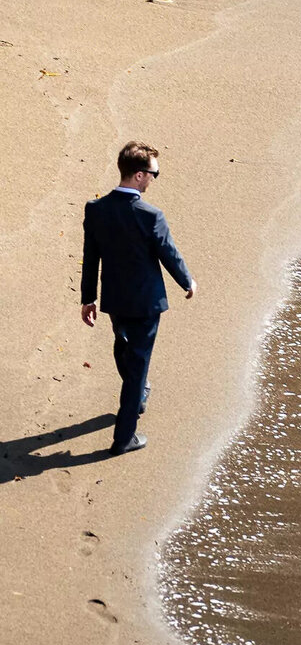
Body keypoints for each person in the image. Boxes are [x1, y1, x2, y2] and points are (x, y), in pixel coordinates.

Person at [80, 142, 196, 454]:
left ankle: (138, 391)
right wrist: (187, 281)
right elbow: (168, 253)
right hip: (145, 303)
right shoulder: (150, 215)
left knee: (124, 348)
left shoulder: (96, 209)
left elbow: (90, 257)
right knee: (137, 365)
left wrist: (88, 298)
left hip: (115, 300)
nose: (154, 180)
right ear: (140, 175)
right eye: (154, 174)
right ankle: (123, 438)